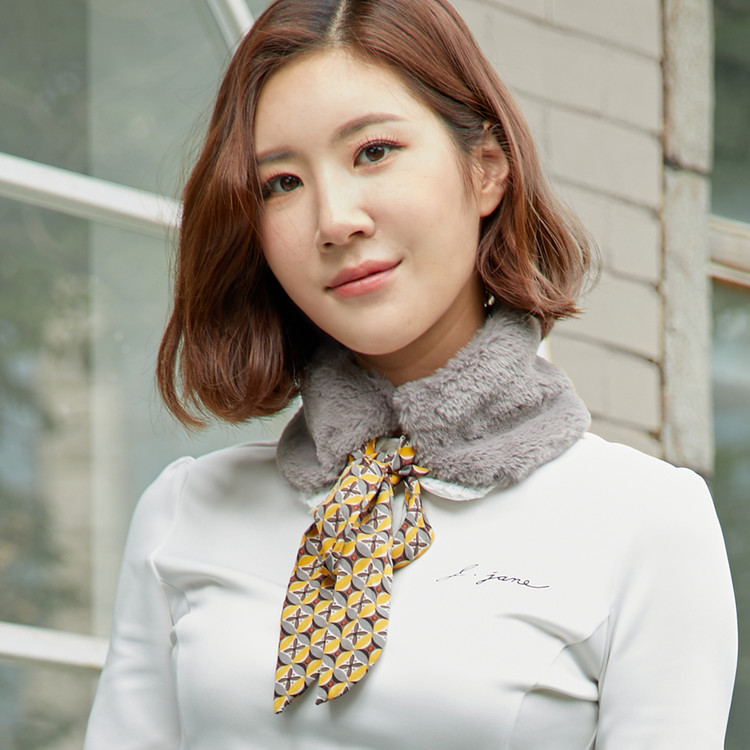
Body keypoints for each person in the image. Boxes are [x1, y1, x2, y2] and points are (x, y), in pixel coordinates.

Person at [84, 0, 737, 747]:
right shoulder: (185, 511)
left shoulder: (646, 522)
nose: (335, 219)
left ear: (486, 168)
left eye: (373, 152)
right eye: (282, 184)